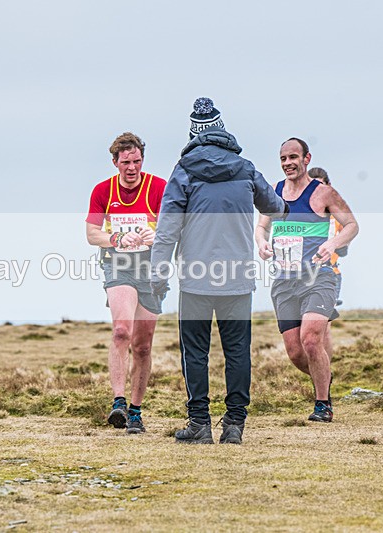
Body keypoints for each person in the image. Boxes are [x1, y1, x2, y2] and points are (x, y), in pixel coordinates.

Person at [150, 98, 286, 444]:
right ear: (222, 129)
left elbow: (167, 229)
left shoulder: (183, 171)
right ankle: (235, 425)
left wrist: (157, 274)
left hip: (195, 278)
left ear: (193, 133)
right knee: (237, 350)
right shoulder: (246, 168)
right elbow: (274, 206)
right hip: (238, 278)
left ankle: (199, 425)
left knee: (195, 351)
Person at [255, 138, 358, 424]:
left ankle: (322, 404)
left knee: (311, 340)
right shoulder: (274, 192)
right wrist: (262, 243)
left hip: (318, 277)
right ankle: (324, 375)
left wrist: (332, 244)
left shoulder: (323, 193)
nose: (288, 163)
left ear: (306, 158)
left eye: (293, 157)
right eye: (283, 158)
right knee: (296, 352)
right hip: (284, 281)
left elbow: (352, 225)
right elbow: (261, 227)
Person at [86, 132, 167, 434]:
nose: (132, 168)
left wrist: (155, 236)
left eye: (137, 161)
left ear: (142, 160)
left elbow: (175, 228)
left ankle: (135, 411)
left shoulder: (158, 187)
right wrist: (116, 238)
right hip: (118, 264)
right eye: (126, 162)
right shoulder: (102, 191)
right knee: (122, 331)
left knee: (143, 346)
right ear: (115, 162)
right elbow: (91, 234)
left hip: (151, 268)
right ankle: (117, 401)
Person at [308, 167, 344, 359]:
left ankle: (326, 373)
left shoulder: (335, 212)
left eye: (321, 185)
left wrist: (339, 244)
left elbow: (349, 231)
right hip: (301, 275)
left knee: (323, 328)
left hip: (329, 274)